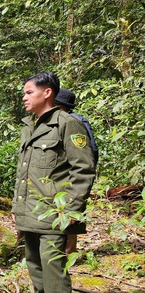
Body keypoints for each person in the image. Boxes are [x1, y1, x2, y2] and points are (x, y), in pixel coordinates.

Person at [10, 71, 95, 293]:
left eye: (28, 92)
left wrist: (70, 213)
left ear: (47, 93)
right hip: (31, 210)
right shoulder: (30, 126)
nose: (24, 97)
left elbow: (82, 171)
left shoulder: (67, 124)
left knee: (54, 271)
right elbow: (24, 174)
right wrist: (17, 210)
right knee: (34, 265)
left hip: (54, 214)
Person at [54, 87, 98, 255]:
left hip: (72, 172)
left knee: (73, 209)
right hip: (59, 173)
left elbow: (88, 152)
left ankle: (69, 250)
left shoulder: (74, 122)